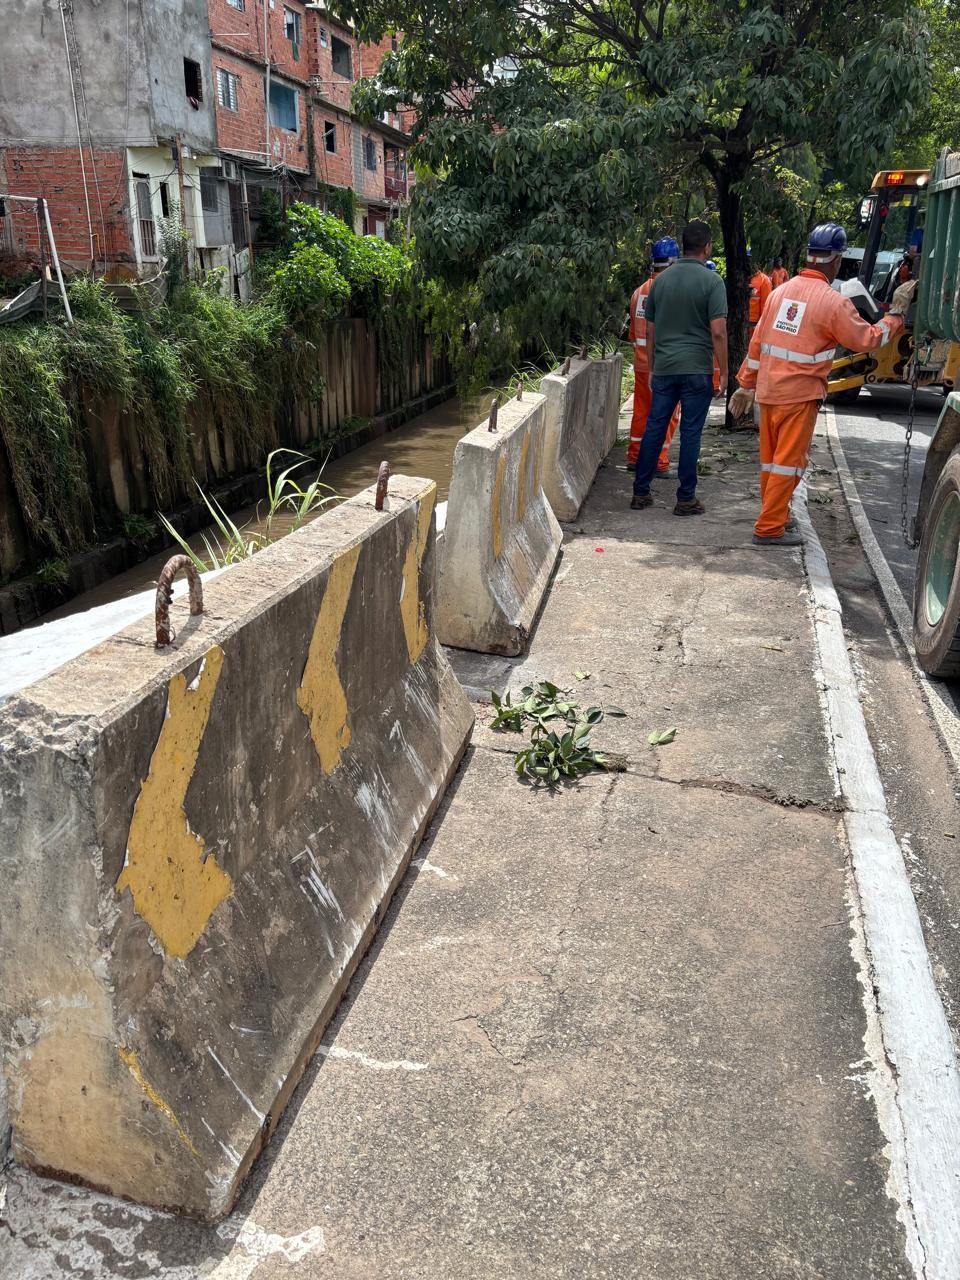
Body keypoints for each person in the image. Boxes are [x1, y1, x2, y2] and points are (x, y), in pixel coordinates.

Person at [729, 222, 915, 547]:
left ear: (809, 255)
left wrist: (746, 384)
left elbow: (757, 343)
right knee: (788, 463)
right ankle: (769, 527)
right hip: (799, 396)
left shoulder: (779, 293)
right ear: (837, 260)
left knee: (772, 461)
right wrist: (897, 315)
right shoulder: (833, 302)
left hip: (769, 393)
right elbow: (868, 339)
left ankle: (777, 515)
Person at [631, 220, 728, 516]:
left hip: (664, 368)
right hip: (697, 370)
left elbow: (649, 330)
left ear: (683, 246)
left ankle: (640, 492)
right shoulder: (713, 282)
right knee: (691, 433)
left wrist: (652, 368)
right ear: (707, 247)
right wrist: (724, 373)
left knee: (654, 427)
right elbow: (718, 332)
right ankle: (685, 498)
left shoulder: (660, 282)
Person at [626, 238, 680, 472]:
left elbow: (632, 334)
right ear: (673, 262)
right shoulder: (672, 291)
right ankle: (658, 461)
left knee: (641, 411)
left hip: (641, 364)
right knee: (668, 413)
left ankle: (635, 456)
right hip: (665, 366)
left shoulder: (638, 292)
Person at [748, 252, 772, 333]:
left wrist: (762, 324)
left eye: (750, 259)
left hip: (754, 323)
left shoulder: (764, 280)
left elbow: (765, 304)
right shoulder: (739, 277)